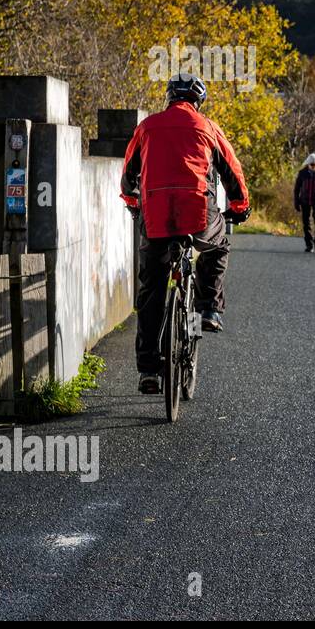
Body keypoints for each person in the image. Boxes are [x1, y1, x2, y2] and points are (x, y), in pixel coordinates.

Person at [121, 73, 251, 395]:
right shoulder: (207, 127)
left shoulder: (147, 127)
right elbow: (232, 172)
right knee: (218, 245)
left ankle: (149, 371)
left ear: (169, 98)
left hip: (156, 216)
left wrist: (133, 203)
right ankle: (208, 308)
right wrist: (240, 206)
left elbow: (128, 176)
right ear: (198, 101)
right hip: (198, 213)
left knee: (151, 291)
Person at [293, 153, 315, 252]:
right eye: (312, 165)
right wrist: (296, 201)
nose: (314, 167)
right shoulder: (302, 173)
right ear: (308, 164)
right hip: (305, 200)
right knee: (306, 223)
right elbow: (297, 188)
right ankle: (309, 244)